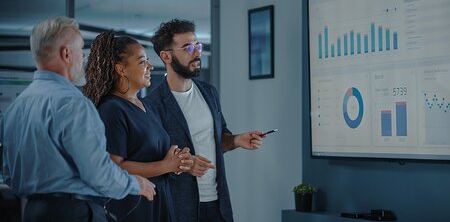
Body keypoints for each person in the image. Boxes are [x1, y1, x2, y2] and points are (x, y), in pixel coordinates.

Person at [0, 17, 156, 222]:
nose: (83, 58)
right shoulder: (73, 104)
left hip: (32, 212)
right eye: (81, 49)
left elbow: (9, 174)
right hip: (75, 212)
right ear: (66, 54)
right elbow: (98, 173)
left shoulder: (15, 109)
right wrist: (136, 184)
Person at [144, 19, 264, 222]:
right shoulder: (152, 105)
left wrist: (235, 140)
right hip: (179, 207)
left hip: (218, 204)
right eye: (188, 48)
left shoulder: (209, 93)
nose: (197, 53)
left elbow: (219, 138)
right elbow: (152, 161)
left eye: (197, 46)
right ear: (166, 56)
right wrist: (185, 165)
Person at [83, 32, 194, 222]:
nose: (150, 66)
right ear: (121, 69)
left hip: (159, 202)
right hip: (132, 207)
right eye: (142, 62)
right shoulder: (111, 109)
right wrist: (164, 165)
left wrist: (179, 162)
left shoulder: (146, 106)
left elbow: (152, 155)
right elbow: (113, 166)